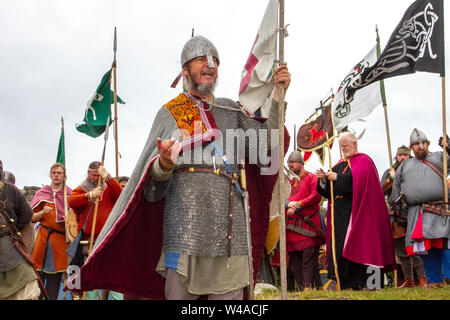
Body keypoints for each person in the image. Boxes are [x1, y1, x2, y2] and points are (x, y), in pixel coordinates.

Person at [68, 35, 291, 300]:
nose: (210, 65)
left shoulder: (232, 111)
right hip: (185, 232)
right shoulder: (170, 113)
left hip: (232, 231)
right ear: (184, 70)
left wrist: (278, 96)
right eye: (201, 60)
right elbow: (151, 191)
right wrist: (163, 164)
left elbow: (266, 145)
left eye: (215, 61)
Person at [315, 132, 395, 290]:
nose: (343, 149)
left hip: (358, 212)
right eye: (341, 146)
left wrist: (338, 178)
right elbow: (328, 192)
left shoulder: (364, 161)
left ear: (355, 144)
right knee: (340, 249)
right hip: (339, 215)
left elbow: (358, 180)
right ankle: (347, 285)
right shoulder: (339, 163)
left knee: (362, 247)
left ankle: (371, 285)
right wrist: (324, 180)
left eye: (345, 145)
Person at [391, 129, 450, 289]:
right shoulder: (405, 166)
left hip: (440, 210)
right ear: (412, 147)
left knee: (445, 245)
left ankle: (448, 278)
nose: (420, 146)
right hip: (417, 213)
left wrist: (449, 147)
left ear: (428, 143)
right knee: (426, 248)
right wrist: (397, 209)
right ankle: (434, 280)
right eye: (416, 144)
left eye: (423, 143)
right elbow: (396, 187)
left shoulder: (440, 157)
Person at [68, 161, 123, 300]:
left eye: (97, 175)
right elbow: (71, 201)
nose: (95, 178)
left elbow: (121, 195)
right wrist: (89, 195)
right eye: (93, 175)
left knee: (114, 275)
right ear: (88, 174)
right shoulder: (81, 189)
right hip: (89, 241)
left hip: (107, 240)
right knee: (91, 278)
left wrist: (108, 177)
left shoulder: (109, 188)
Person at [381, 145, 427, 288]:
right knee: (401, 250)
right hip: (395, 215)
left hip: (412, 212)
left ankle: (422, 279)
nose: (402, 157)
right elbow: (381, 190)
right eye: (400, 155)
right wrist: (391, 179)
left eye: (405, 155)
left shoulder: (417, 170)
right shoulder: (389, 172)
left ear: (409, 156)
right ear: (396, 156)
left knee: (415, 247)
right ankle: (409, 280)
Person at [0, 160, 42, 300]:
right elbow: (27, 214)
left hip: (8, 246)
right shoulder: (11, 189)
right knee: (26, 283)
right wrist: (14, 230)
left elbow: (27, 215)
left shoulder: (10, 190)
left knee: (26, 283)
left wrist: (14, 230)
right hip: (9, 243)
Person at [30, 163, 72, 300]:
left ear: (64, 176)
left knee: (53, 285)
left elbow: (77, 221)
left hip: (59, 243)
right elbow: (31, 218)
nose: (56, 175)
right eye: (54, 172)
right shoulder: (41, 193)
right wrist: (42, 212)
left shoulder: (70, 194)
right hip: (42, 240)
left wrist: (69, 219)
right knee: (38, 282)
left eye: (59, 173)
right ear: (50, 175)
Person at [285, 150, 323, 291]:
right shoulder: (289, 182)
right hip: (291, 227)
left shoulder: (312, 178)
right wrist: (288, 204)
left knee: (308, 259)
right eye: (289, 163)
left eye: (293, 162)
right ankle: (302, 288)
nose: (290, 165)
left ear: (301, 163)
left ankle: (308, 287)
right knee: (294, 261)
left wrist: (299, 204)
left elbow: (316, 196)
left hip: (308, 226)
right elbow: (282, 198)